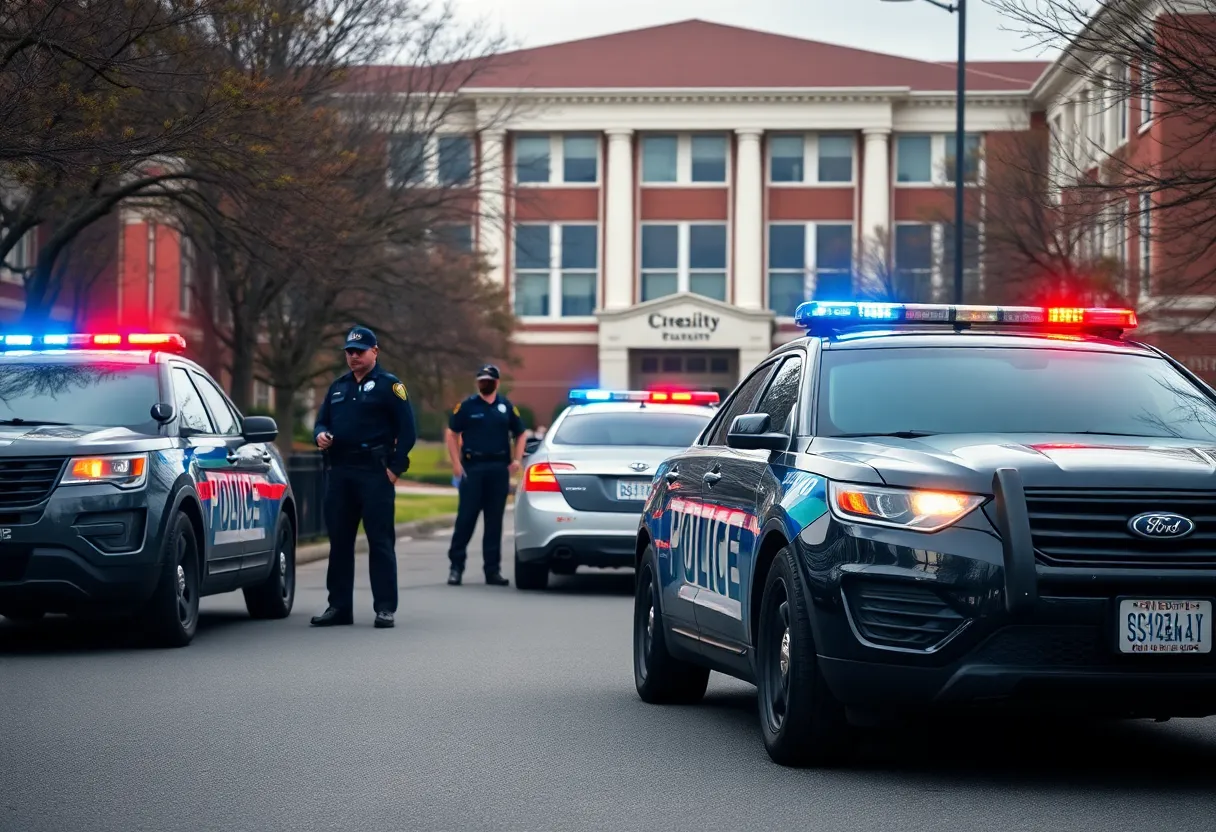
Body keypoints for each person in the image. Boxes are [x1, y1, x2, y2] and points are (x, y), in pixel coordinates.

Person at [310, 325, 416, 629]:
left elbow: (408, 431)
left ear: (375, 351)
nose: (353, 356)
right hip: (341, 472)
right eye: (349, 352)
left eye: (359, 351)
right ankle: (339, 607)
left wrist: (395, 469)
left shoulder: (389, 386)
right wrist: (320, 435)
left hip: (374, 473)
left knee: (380, 542)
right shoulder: (338, 387)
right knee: (339, 542)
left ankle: (385, 607)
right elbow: (321, 422)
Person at [445, 364, 527, 586]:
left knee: (494, 522)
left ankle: (492, 570)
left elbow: (520, 433)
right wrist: (456, 464)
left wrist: (517, 459)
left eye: (489, 380)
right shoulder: (467, 406)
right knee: (466, 519)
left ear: (497, 383)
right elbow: (452, 433)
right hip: (473, 468)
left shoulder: (506, 407)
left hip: (498, 469)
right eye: (481, 380)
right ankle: (456, 567)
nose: (485, 383)